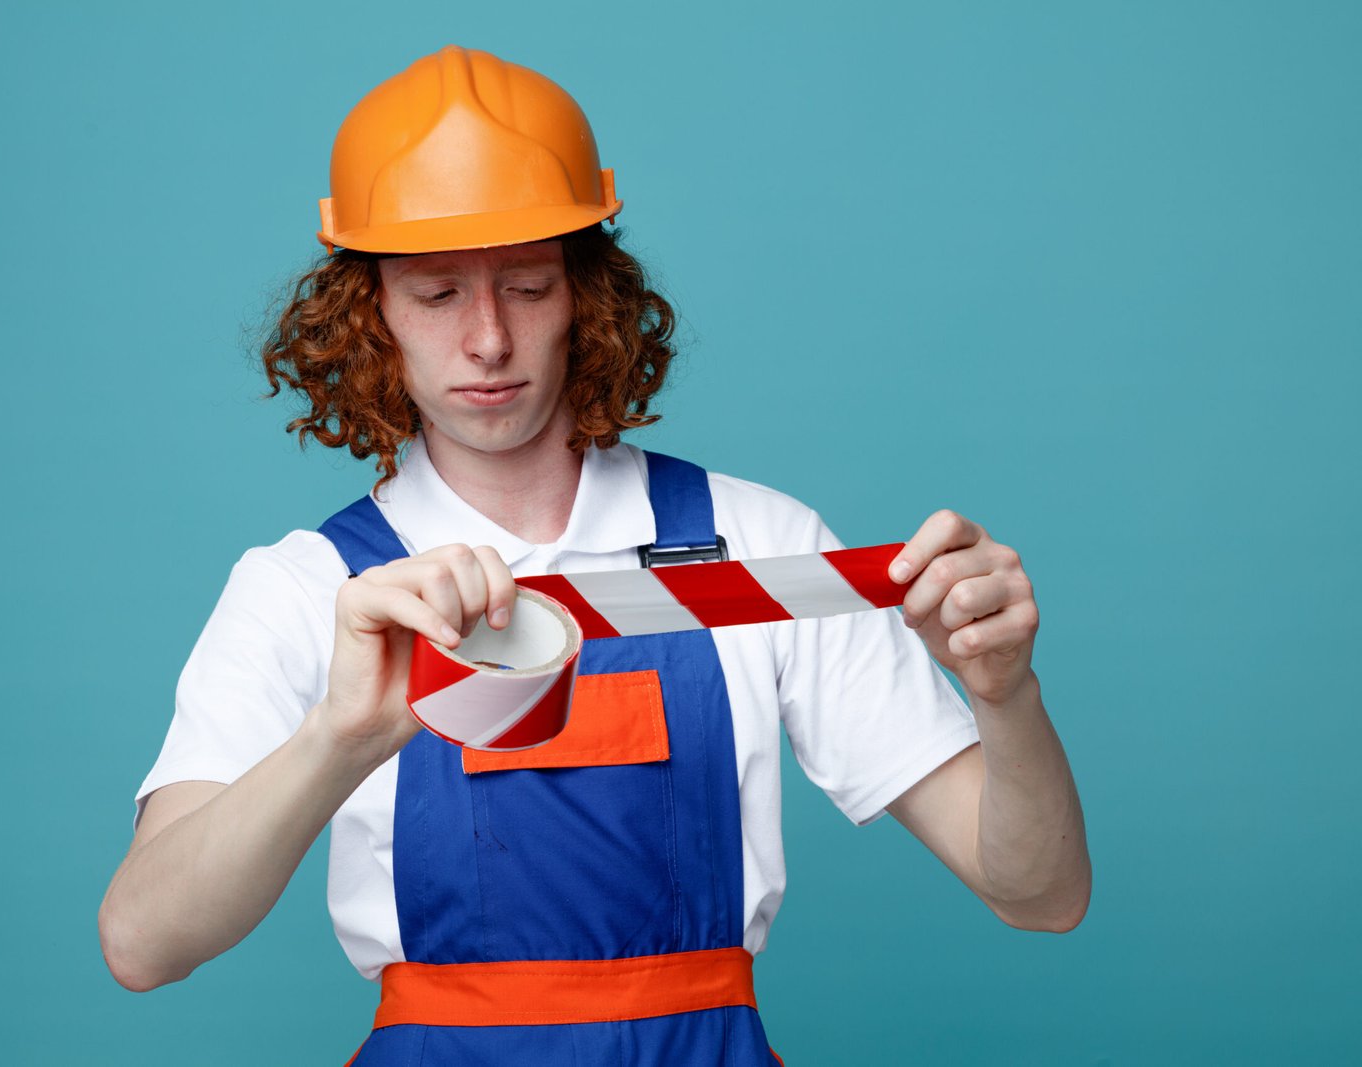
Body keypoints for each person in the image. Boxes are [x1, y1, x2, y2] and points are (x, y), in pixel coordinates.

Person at [98, 45, 1090, 1065]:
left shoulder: (759, 546)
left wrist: (1004, 694)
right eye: (437, 294)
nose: (487, 339)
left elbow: (1042, 893)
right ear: (372, 315)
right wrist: (338, 739)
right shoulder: (308, 588)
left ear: (586, 295)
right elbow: (141, 942)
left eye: (525, 285)